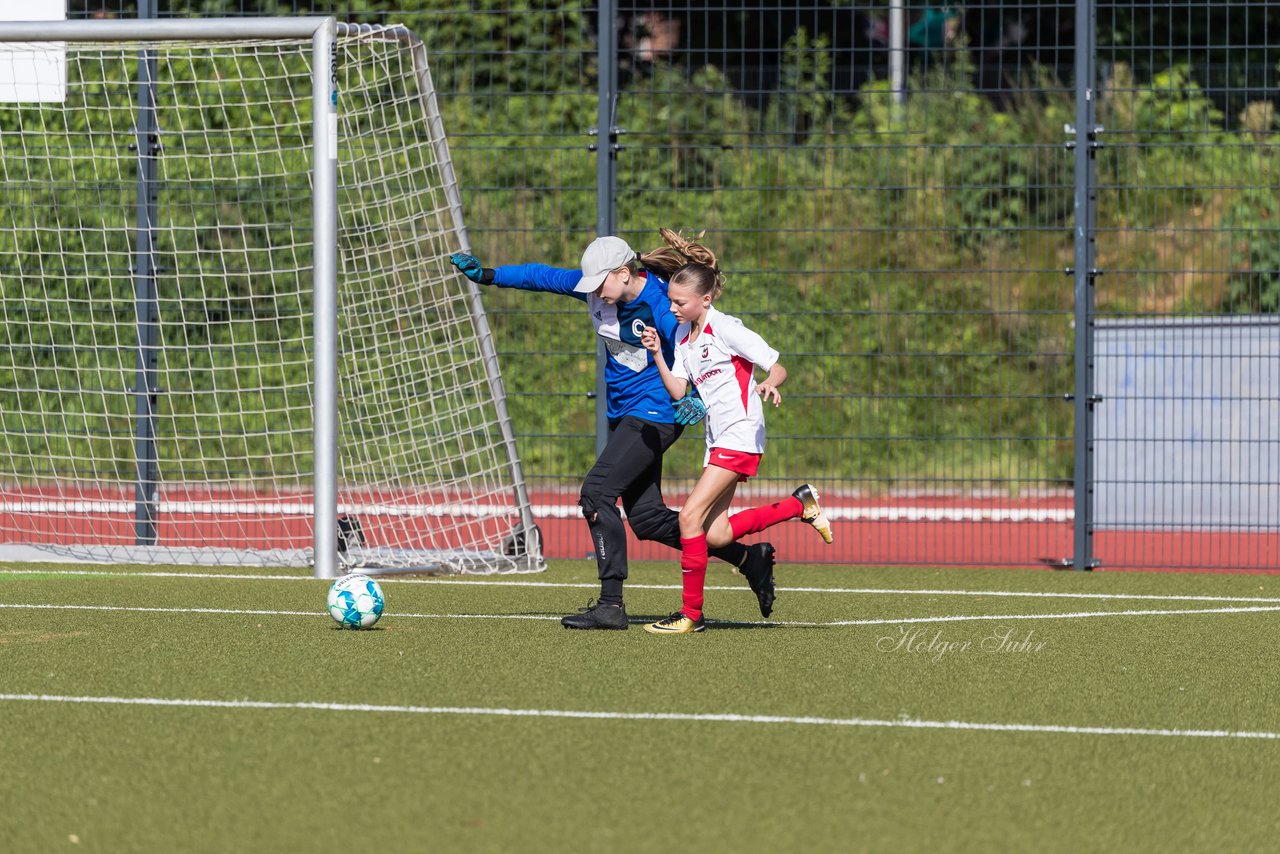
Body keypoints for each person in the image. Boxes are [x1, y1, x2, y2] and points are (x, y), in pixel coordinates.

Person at [448, 231, 777, 630]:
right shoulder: (596, 288)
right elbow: (540, 275)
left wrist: (696, 398)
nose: (596, 294)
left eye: (601, 284)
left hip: (657, 413)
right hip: (624, 414)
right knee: (648, 519)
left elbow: (697, 355)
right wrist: (488, 274)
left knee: (597, 492)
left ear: (623, 273)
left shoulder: (661, 302)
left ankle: (611, 605)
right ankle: (748, 559)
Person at [639, 258, 833, 635]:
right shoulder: (680, 338)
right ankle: (800, 505)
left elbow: (776, 364)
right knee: (718, 535)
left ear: (706, 299)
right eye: (671, 302)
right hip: (717, 438)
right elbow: (679, 390)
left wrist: (770, 383)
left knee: (688, 517)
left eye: (680, 302)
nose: (673, 308)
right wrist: (657, 354)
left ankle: (690, 614)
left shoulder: (726, 328)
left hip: (741, 432)